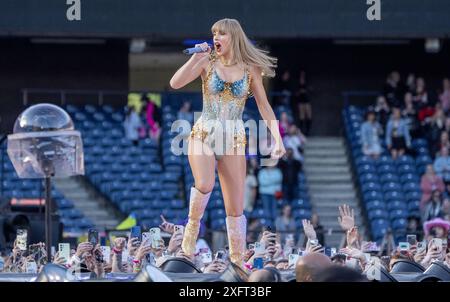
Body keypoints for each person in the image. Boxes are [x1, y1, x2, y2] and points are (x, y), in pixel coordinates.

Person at [169, 18, 285, 266]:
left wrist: (277, 139)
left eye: (221, 33)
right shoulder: (206, 61)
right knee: (205, 182)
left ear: (233, 37)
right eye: (214, 33)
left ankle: (237, 261)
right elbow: (175, 83)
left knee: (236, 208)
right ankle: (187, 247)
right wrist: (195, 57)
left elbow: (264, 106)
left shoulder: (250, 69)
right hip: (204, 132)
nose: (216, 38)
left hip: (233, 138)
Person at [294, 70, 312, 135]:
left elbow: (311, 90)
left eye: (303, 74)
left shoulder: (307, 82)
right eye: (301, 74)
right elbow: (295, 93)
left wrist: (305, 91)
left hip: (307, 100)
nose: (302, 76)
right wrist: (299, 92)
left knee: (308, 116)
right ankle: (301, 131)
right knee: (302, 116)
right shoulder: (297, 83)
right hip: (300, 100)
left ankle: (307, 131)